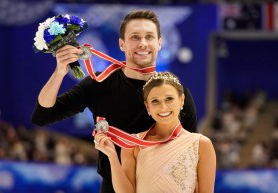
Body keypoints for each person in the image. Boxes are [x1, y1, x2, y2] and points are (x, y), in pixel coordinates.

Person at [31, 10, 197, 193]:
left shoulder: (176, 93)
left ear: (159, 43)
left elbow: (191, 156)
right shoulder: (100, 83)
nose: (142, 43)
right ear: (122, 44)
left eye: (149, 37)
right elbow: (43, 115)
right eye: (135, 37)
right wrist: (59, 72)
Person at [94, 72, 216, 193]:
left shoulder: (201, 144)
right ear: (147, 107)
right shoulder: (133, 143)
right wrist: (112, 156)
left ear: (182, 100)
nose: (163, 107)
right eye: (155, 101)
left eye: (169, 99)